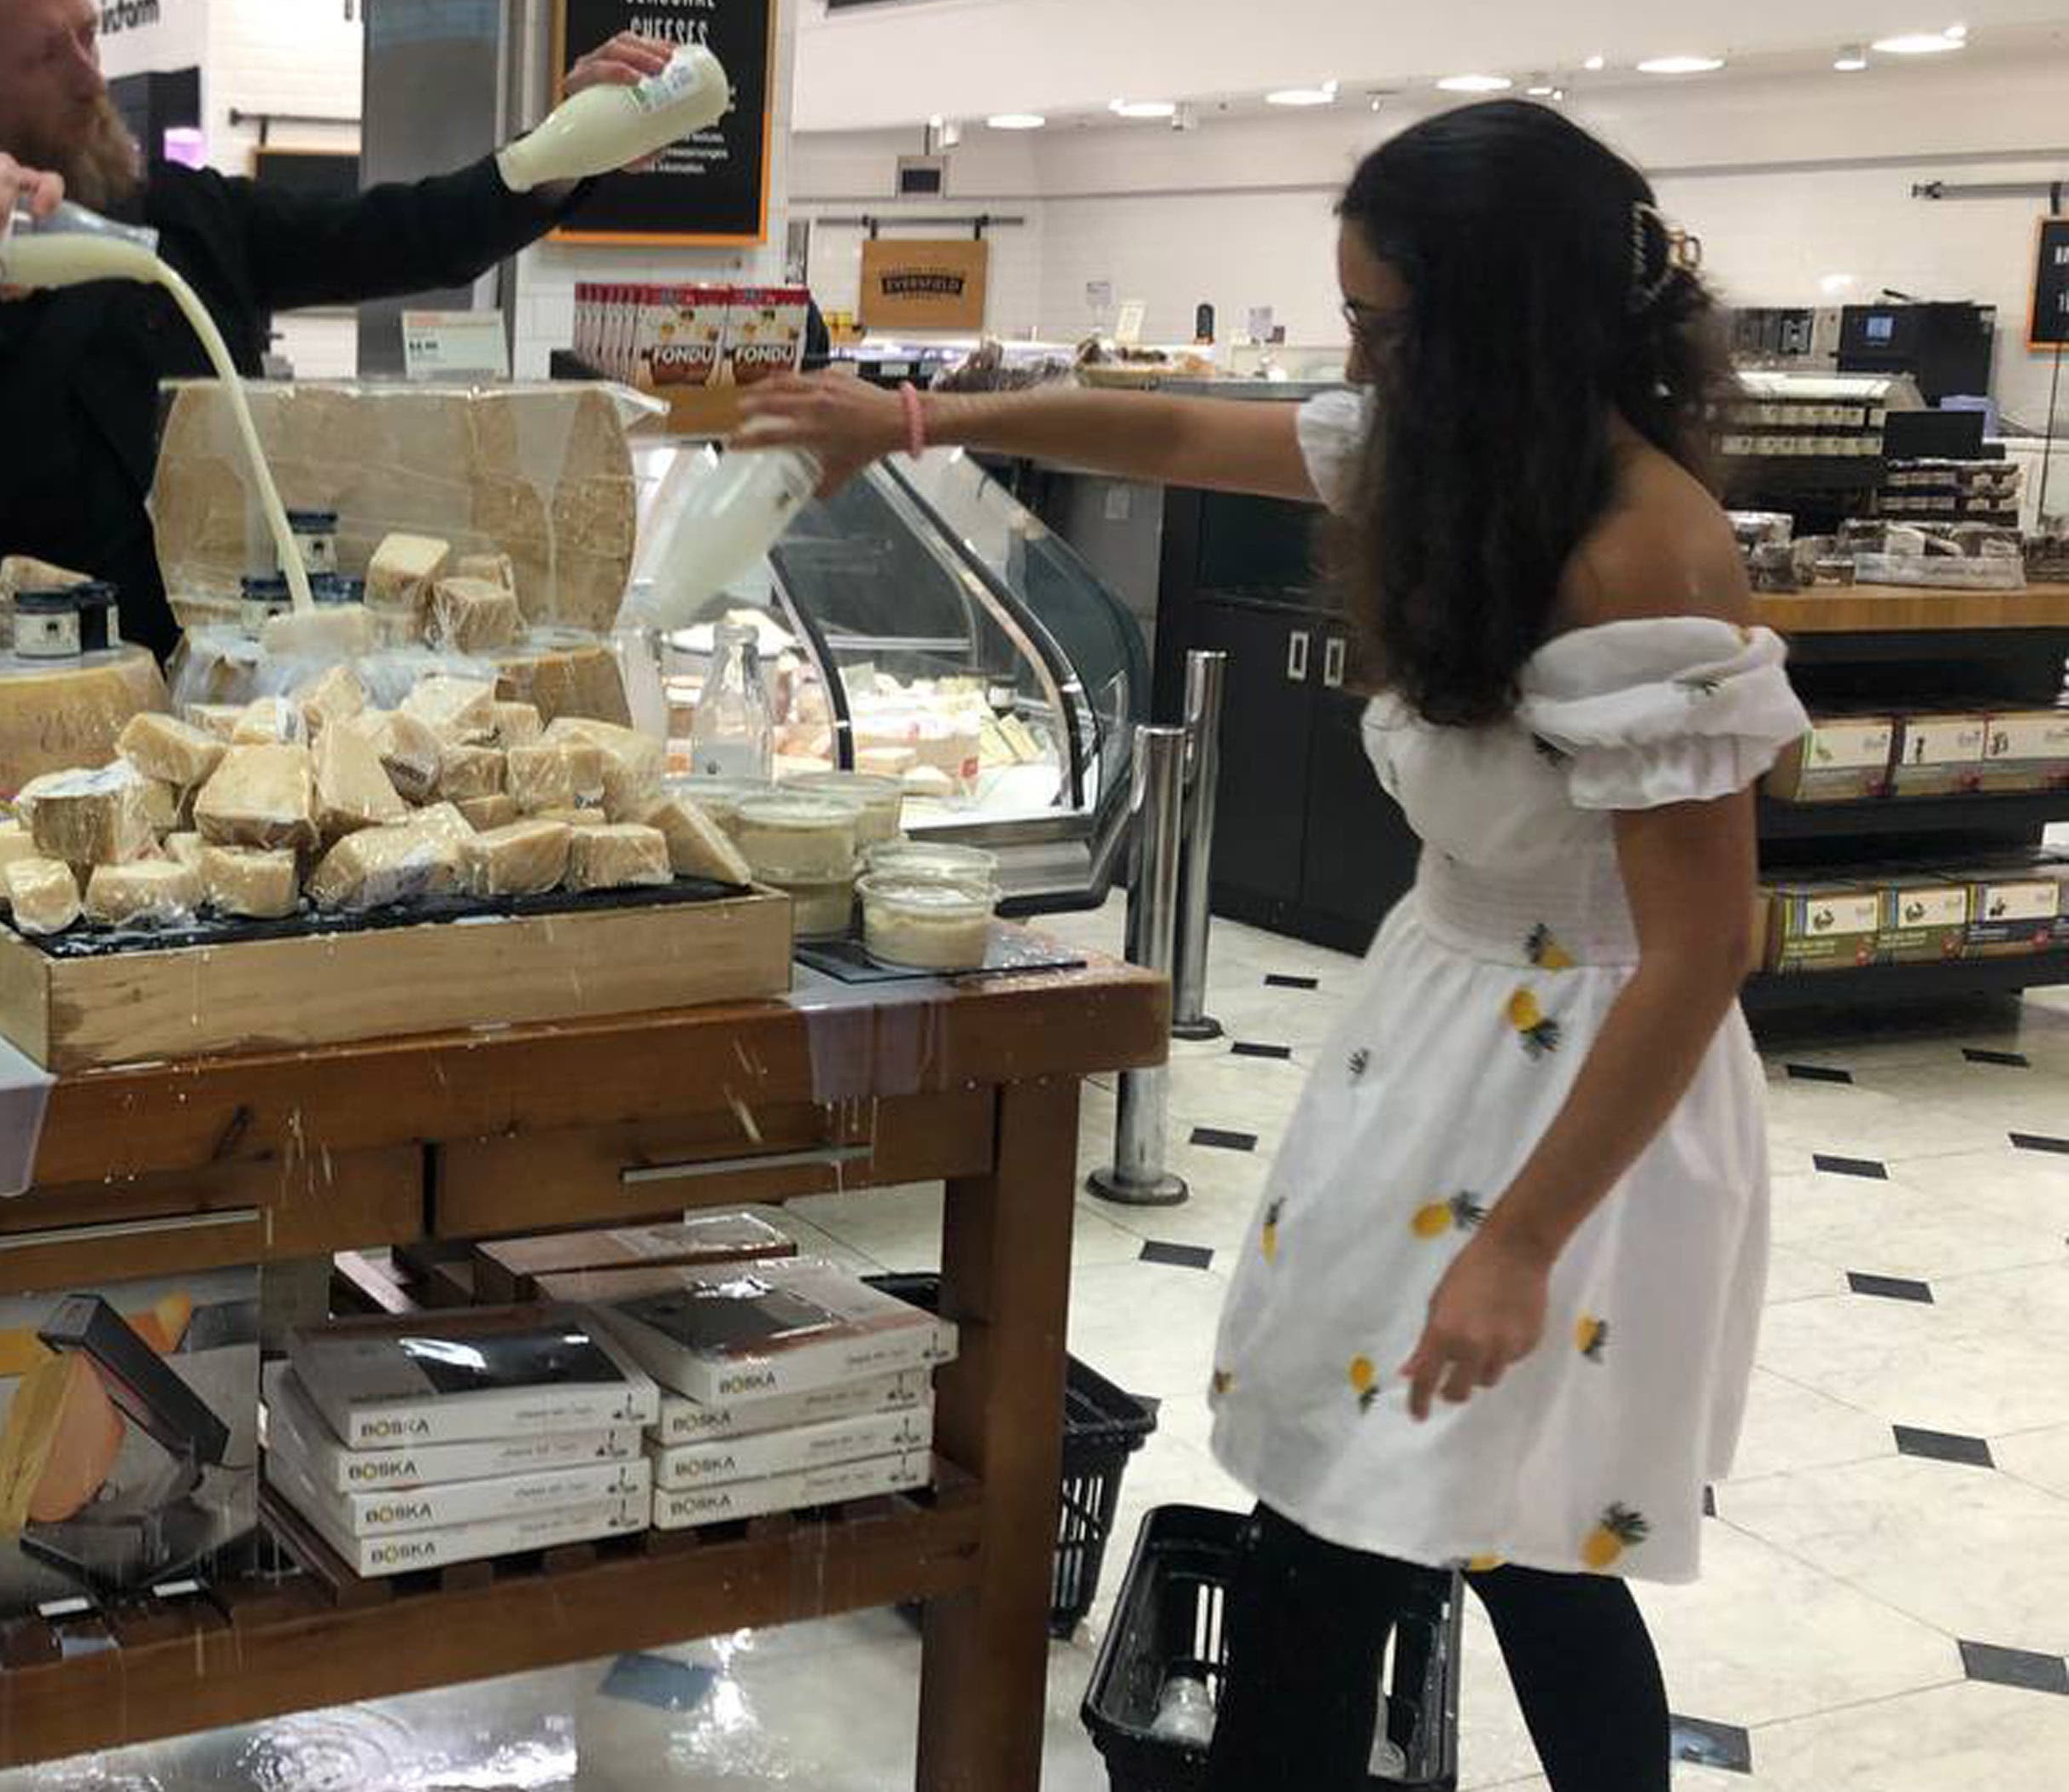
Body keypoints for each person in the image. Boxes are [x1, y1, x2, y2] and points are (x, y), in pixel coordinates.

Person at [745, 100, 1792, 1792]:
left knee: (1380, 1516)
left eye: (1384, 324)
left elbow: (1697, 949)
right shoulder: (1445, 454)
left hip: (1579, 1096)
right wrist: (917, 414)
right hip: (1439, 1039)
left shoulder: (1642, 546)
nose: (1358, 360)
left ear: (1497, 323)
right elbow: (1165, 424)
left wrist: (1519, 1246)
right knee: (1479, 1516)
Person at [0, 0, 679, 653]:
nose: (92, 75)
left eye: (89, 35)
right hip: (0, 702)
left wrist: (569, 145)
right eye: (48, 57)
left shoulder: (194, 216)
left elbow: (414, 232)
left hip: (207, 700)